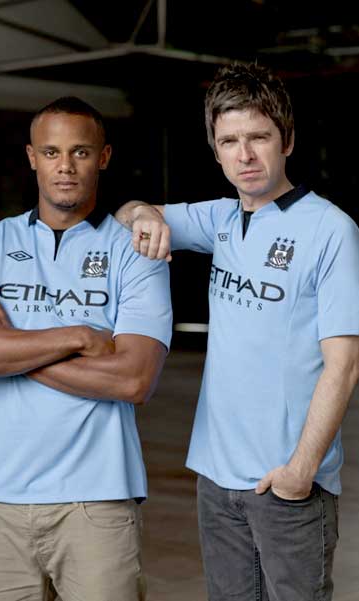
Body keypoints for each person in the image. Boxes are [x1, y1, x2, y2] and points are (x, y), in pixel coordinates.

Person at [115, 63, 359, 601]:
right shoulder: (221, 220)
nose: (244, 155)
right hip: (215, 478)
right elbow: (129, 212)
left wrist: (300, 471)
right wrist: (143, 216)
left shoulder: (331, 230)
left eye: (258, 138)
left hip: (287, 483)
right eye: (229, 141)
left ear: (286, 141)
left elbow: (344, 365)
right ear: (216, 150)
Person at [0, 96, 172, 601]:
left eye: (80, 152)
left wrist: (8, 348)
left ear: (104, 157)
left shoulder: (134, 251)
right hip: (0, 503)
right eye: (52, 152)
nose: (66, 166)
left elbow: (133, 379)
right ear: (32, 157)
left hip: (98, 504)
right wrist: (76, 337)